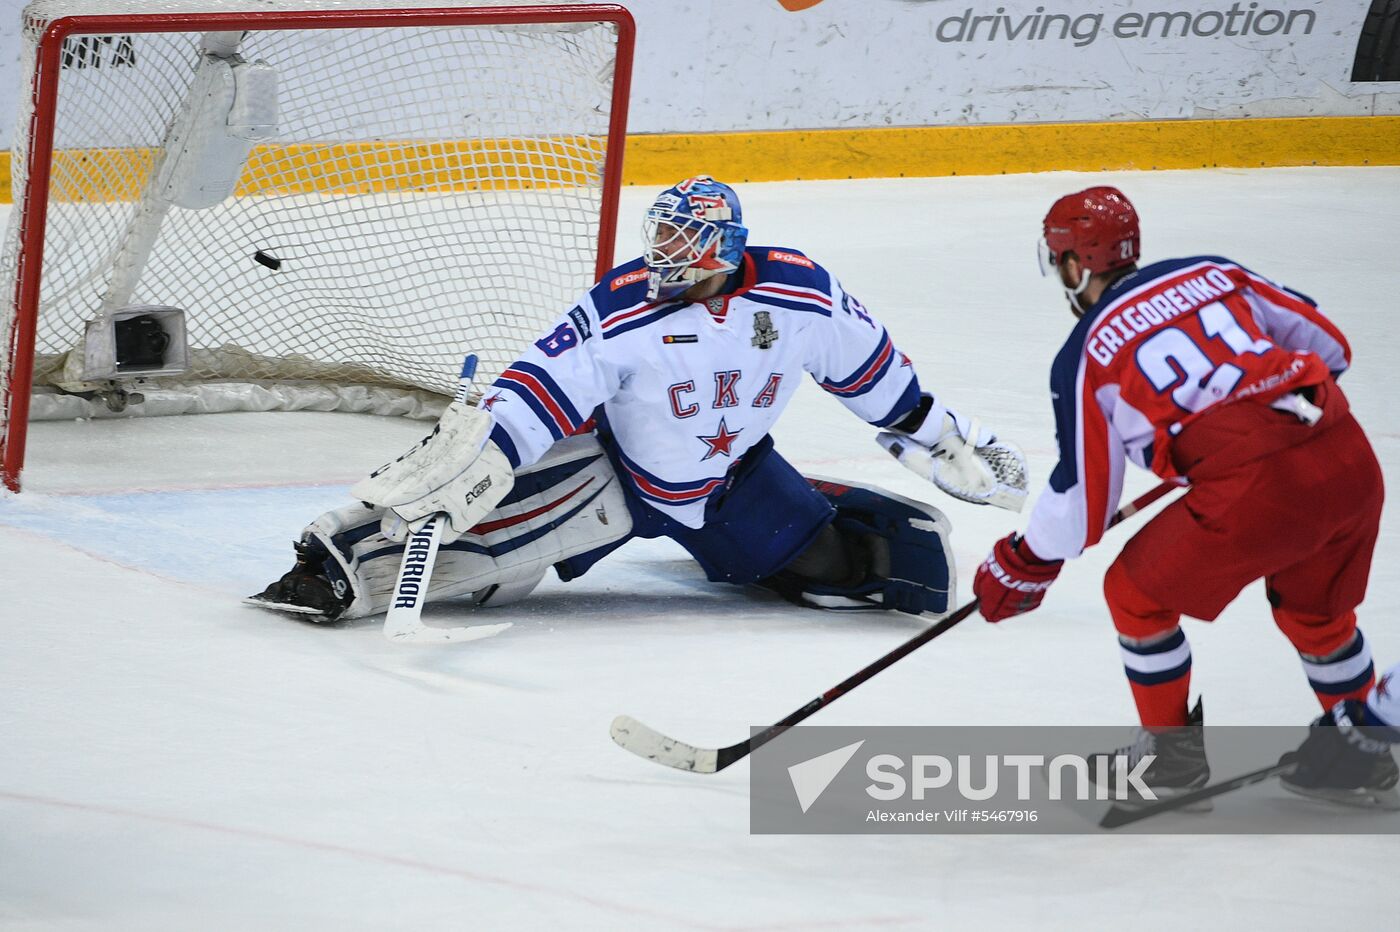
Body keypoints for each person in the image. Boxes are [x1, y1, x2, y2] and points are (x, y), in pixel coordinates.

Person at [252, 176, 1026, 621]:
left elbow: (875, 376)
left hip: (731, 481)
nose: (664, 255)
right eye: (662, 236)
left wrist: (949, 438)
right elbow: (542, 388)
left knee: (845, 568)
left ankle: (827, 510)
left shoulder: (801, 293)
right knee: (486, 567)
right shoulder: (624, 307)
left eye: (683, 244)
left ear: (723, 250)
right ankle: (332, 561)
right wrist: (486, 451)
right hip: (614, 476)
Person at [971, 186, 1387, 799]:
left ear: (1071, 263)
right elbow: (1330, 348)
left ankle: (1169, 761)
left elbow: (1084, 498)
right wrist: (1251, 423)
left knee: (1133, 595)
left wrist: (1023, 560)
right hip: (1348, 459)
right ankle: (1364, 755)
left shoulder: (1087, 351)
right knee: (1317, 615)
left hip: (1257, 490)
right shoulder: (1214, 273)